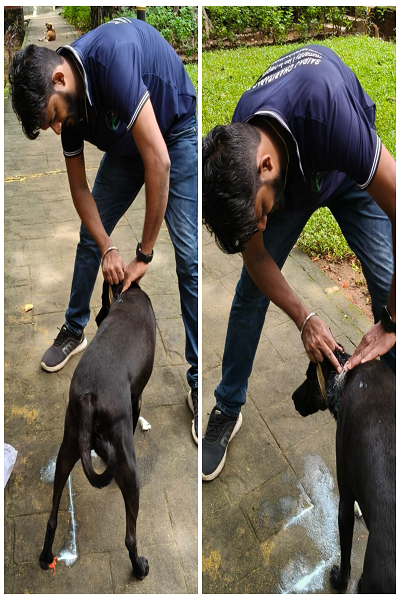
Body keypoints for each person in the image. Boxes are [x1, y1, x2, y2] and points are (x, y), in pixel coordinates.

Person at [202, 44, 395, 480]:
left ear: (266, 164)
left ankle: (390, 419)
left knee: (391, 285)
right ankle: (227, 405)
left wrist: (390, 321)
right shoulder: (238, 154)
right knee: (250, 293)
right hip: (292, 183)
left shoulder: (329, 112)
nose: (263, 224)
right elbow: (256, 257)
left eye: (261, 213)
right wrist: (303, 316)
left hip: (343, 171)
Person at [9, 16, 198, 443]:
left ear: (60, 78)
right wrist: (108, 246)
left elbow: (159, 161)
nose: (58, 128)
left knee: (189, 258)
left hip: (173, 128)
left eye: (53, 116)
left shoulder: (112, 59)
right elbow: (80, 190)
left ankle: (196, 377)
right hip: (128, 142)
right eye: (49, 125)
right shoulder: (66, 106)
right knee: (89, 237)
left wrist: (144, 253)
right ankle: (74, 328)